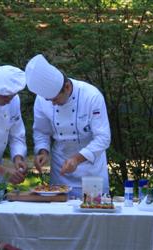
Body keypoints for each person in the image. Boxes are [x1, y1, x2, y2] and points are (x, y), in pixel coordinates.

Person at [25, 54, 111, 198]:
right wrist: (43, 151)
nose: (52, 103)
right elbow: (41, 131)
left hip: (92, 170)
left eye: (55, 99)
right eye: (49, 100)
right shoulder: (41, 99)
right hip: (61, 170)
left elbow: (103, 138)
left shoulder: (91, 96)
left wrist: (76, 159)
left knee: (94, 215)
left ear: (67, 87)